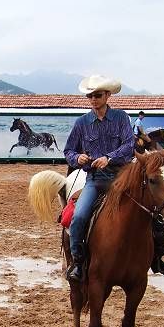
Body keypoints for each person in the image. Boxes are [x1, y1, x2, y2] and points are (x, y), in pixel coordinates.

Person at [62, 74, 135, 282]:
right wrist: (78, 157)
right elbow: (68, 151)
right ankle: (77, 261)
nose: (94, 99)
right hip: (94, 180)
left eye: (98, 95)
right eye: (90, 96)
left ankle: (159, 254)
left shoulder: (121, 118)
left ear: (108, 95)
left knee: (153, 211)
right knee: (78, 218)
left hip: (122, 178)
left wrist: (109, 158)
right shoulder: (82, 123)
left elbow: (129, 146)